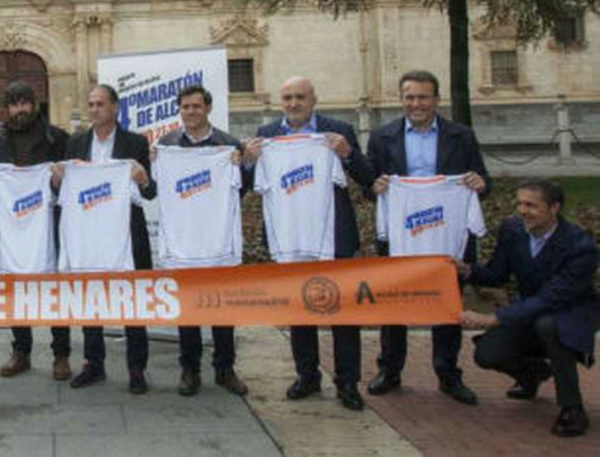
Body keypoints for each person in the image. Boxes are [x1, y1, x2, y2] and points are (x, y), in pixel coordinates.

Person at [242, 76, 375, 411]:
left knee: (342, 311)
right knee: (299, 309)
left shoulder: (337, 131)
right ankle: (307, 375)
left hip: (335, 236)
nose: (293, 103)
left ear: (314, 99)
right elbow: (245, 185)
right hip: (291, 236)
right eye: (287, 97)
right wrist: (247, 160)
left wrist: (346, 155)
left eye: (300, 97)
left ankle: (348, 382)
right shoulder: (267, 136)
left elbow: (368, 178)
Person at [367, 70, 488, 405]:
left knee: (447, 304)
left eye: (423, 97)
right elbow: (369, 183)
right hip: (402, 236)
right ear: (401, 99)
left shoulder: (461, 136)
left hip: (445, 237)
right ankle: (389, 370)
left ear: (436, 99)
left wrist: (479, 185)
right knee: (393, 306)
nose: (416, 103)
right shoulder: (382, 136)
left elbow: (483, 180)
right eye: (409, 97)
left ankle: (448, 374)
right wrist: (373, 187)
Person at [460, 179, 600, 437]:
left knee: (548, 325)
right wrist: (466, 270)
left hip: (571, 312)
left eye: (531, 205)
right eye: (519, 203)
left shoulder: (581, 246)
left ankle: (572, 408)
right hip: (529, 310)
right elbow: (497, 273)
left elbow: (552, 298)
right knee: (487, 354)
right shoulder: (513, 230)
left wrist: (495, 318)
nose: (522, 210)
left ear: (554, 208)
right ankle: (531, 374)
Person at [54, 84, 155, 394]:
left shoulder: (135, 143)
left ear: (115, 108)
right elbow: (60, 190)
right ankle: (93, 363)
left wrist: (143, 178)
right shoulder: (76, 143)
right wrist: (56, 180)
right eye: (91, 104)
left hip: (126, 232)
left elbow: (151, 192)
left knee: (132, 300)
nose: (94, 109)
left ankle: (136, 368)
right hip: (88, 233)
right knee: (90, 297)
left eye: (100, 104)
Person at [152, 85, 248, 397]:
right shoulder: (166, 145)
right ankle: (189, 369)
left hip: (218, 241)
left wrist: (241, 164)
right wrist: (153, 163)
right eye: (185, 107)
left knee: (222, 307)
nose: (190, 112)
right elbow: (153, 190)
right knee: (188, 308)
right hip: (184, 243)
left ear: (208, 108)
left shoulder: (227, 144)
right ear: (179, 111)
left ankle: (225, 367)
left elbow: (241, 191)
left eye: (196, 107)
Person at [0, 81, 72, 381]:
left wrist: (60, 177)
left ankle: (61, 354)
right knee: (16, 287)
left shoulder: (57, 137)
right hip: (15, 225)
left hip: (50, 223)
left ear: (35, 104)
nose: (20, 109)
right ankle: (21, 351)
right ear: (7, 108)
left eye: (25, 103)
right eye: (14, 104)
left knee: (55, 288)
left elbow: (71, 178)